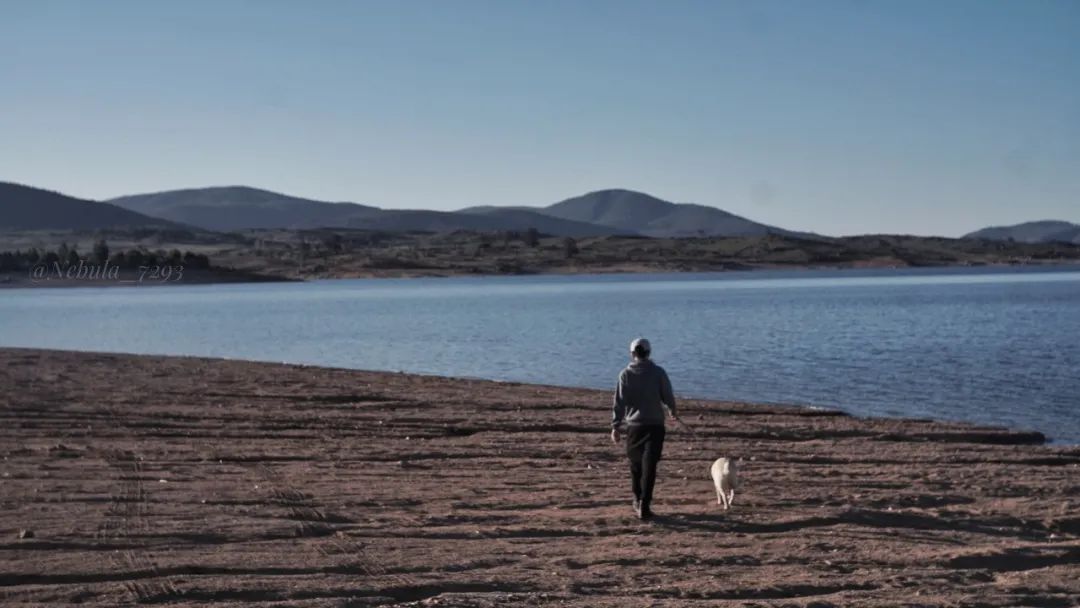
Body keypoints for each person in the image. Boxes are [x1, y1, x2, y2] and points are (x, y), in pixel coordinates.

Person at [611, 337, 678, 520]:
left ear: (632, 354)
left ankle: (637, 498)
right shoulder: (658, 372)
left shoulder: (625, 374)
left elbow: (619, 402)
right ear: (648, 353)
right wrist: (672, 411)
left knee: (636, 466)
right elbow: (667, 396)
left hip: (635, 427)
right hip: (655, 426)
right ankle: (644, 504)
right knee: (650, 467)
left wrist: (616, 425)